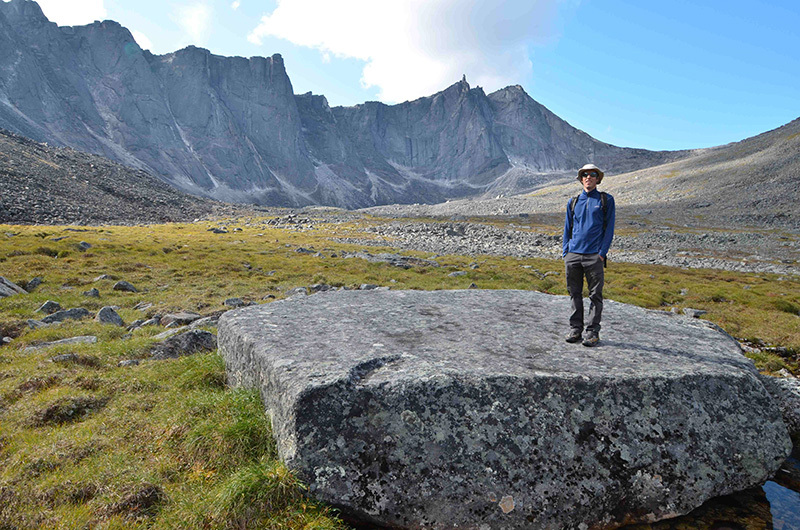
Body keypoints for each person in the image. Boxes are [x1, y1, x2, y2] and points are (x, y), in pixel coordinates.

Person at [562, 163, 615, 347]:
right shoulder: (574, 201)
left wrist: (602, 253)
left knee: (595, 295)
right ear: (581, 178)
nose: (588, 177)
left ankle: (592, 332)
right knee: (574, 293)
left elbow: (609, 229)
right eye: (585, 174)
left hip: (594, 255)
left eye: (592, 174)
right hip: (574, 255)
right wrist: (565, 252)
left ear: (598, 179)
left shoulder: (605, 200)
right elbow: (567, 228)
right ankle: (575, 328)